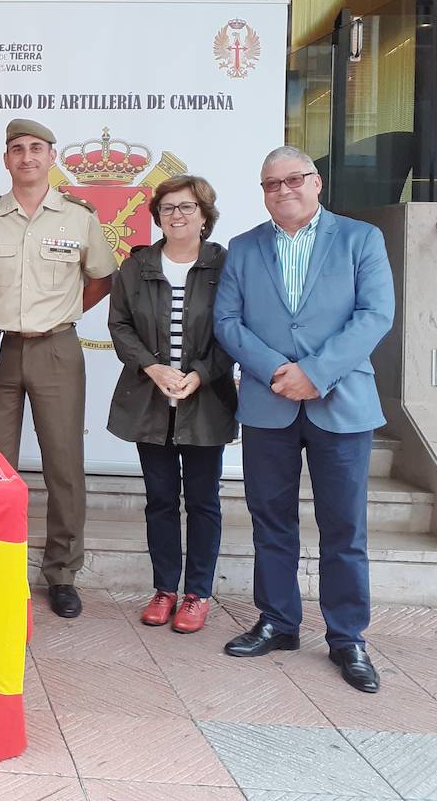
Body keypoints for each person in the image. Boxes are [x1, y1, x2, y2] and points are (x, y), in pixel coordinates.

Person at [214, 145, 394, 693]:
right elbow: (227, 320)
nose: (284, 190)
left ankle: (347, 637)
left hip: (341, 401)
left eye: (294, 179)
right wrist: (276, 370)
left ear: (317, 183)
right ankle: (278, 621)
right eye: (272, 183)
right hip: (270, 402)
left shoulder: (361, 239)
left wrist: (316, 373)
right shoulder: (244, 248)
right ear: (263, 192)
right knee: (271, 520)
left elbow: (375, 315)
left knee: (344, 526)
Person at [0, 118, 115, 619]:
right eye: (17, 149)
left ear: (51, 157)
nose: (26, 157)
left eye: (36, 148)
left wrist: (60, 315)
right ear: (6, 160)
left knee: (63, 462)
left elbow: (101, 279)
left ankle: (62, 573)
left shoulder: (79, 217)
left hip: (55, 350)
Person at [107, 174, 237, 634]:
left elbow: (236, 329)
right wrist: (153, 368)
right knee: (160, 500)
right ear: (157, 216)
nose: (177, 215)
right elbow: (120, 325)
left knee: (203, 501)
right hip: (151, 399)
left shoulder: (227, 265)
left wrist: (200, 374)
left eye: (186, 207)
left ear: (204, 215)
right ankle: (164, 589)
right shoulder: (137, 265)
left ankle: (197, 594)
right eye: (167, 209)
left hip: (207, 400)